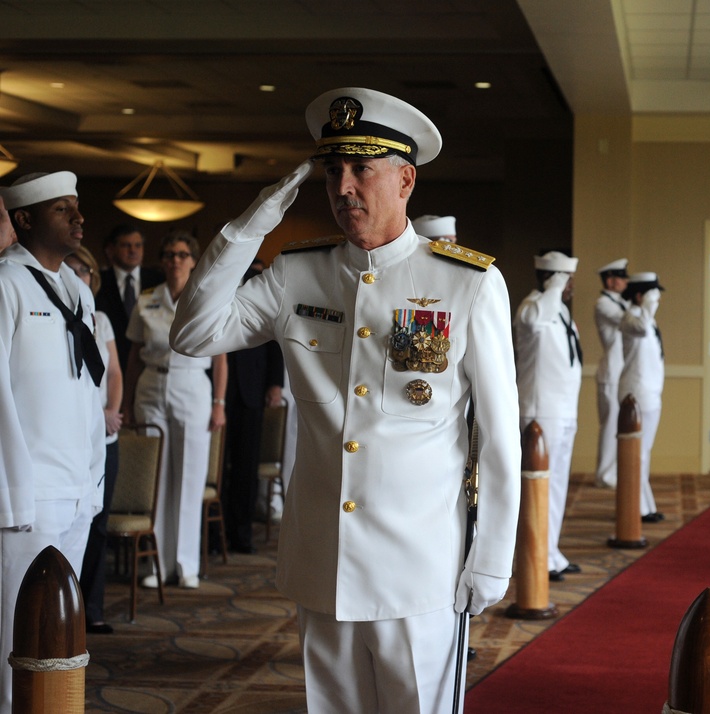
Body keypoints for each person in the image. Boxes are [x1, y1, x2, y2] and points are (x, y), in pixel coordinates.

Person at [169, 87, 521, 713]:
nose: (344, 187)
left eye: (363, 168)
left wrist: (490, 559)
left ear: (406, 179)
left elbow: (497, 435)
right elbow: (194, 333)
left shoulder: (465, 282)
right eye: (333, 171)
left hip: (420, 566)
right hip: (322, 563)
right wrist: (251, 224)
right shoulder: (296, 272)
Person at [0, 172, 105, 711]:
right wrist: (11, 494)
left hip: (75, 488)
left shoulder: (78, 289)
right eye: (62, 210)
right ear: (24, 220)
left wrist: (94, 482)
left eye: (77, 208)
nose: (78, 218)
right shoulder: (6, 283)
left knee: (59, 634)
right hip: (29, 493)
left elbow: (90, 393)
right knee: (11, 633)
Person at [122, 231, 227, 590]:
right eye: (168, 254)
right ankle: (154, 563)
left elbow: (222, 357)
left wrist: (219, 403)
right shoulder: (147, 298)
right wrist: (126, 401)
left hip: (192, 385)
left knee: (189, 476)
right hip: (152, 385)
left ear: (194, 260)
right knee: (155, 479)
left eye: (182, 254)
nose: (175, 260)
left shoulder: (205, 298)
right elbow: (133, 356)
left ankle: (184, 563)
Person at [66, 245, 124, 635]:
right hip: (70, 434)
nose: (80, 276)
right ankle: (65, 609)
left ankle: (94, 606)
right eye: (73, 271)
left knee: (97, 522)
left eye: (85, 271)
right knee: (71, 519)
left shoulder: (100, 317)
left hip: (102, 434)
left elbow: (115, 373)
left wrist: (111, 413)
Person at [514, 250, 582, 582]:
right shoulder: (533, 307)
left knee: (556, 487)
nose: (570, 287)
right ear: (552, 279)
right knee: (538, 489)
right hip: (541, 411)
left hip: (564, 410)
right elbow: (534, 322)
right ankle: (533, 555)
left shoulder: (561, 312)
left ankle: (550, 552)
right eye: (566, 280)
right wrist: (553, 288)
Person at [223, 261, 285, 554]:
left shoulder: (258, 282)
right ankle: (213, 535)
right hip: (216, 389)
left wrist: (275, 383)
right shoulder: (216, 280)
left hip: (251, 386)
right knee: (218, 467)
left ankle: (241, 534)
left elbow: (275, 337)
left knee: (246, 466)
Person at [619, 272, 665, 523]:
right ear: (639, 296)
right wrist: (647, 307)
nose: (657, 300)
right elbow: (641, 329)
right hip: (636, 395)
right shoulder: (631, 318)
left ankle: (644, 504)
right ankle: (637, 506)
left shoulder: (648, 318)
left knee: (643, 452)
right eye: (652, 294)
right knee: (638, 453)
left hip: (651, 394)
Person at [96, 224, 164, 371]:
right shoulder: (98, 281)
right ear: (112, 249)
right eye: (126, 245)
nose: (133, 250)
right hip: (110, 362)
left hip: (150, 365)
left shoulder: (158, 280)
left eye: (138, 245)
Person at [593, 258, 629, 489]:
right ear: (610, 280)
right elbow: (626, 322)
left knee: (618, 424)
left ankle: (612, 471)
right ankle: (605, 474)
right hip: (611, 372)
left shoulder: (619, 302)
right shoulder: (603, 304)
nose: (626, 281)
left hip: (621, 370)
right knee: (611, 425)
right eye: (622, 277)